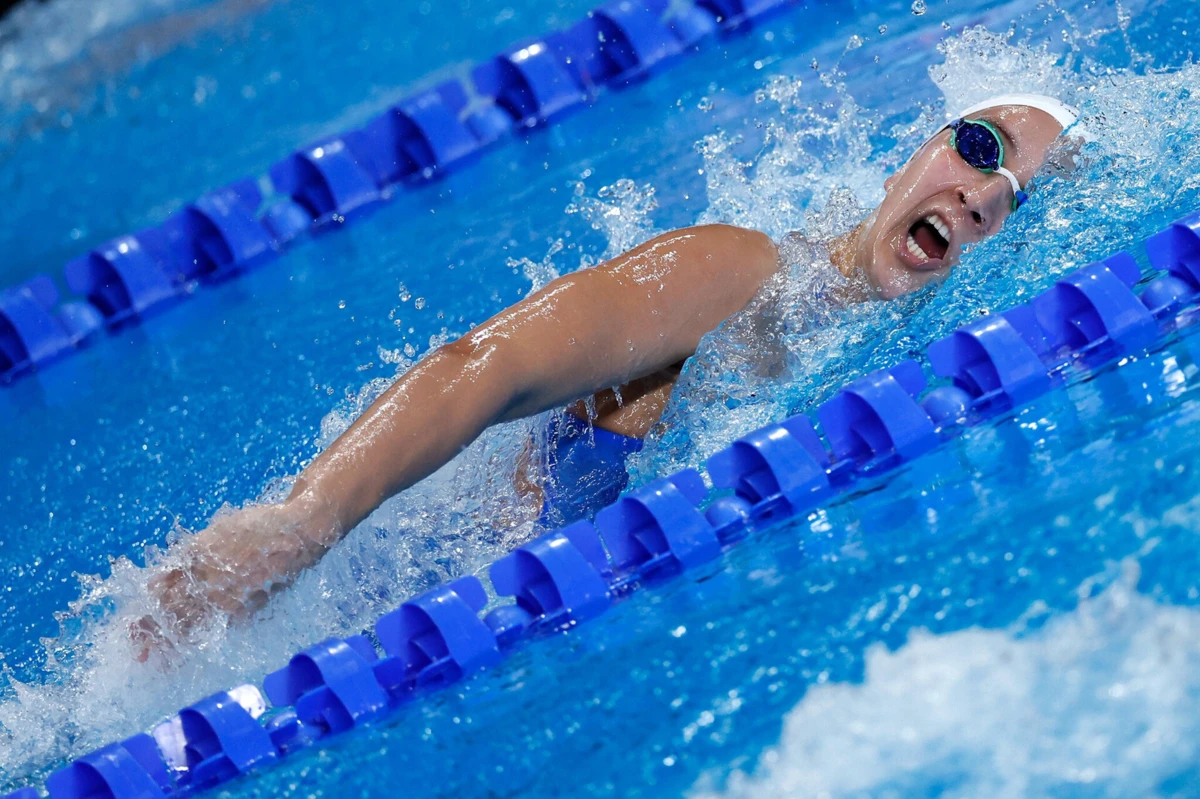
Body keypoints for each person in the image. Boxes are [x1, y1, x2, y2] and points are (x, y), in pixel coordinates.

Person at [135, 94, 1081, 655]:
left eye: (1017, 199)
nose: (981, 194)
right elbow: (488, 363)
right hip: (431, 617)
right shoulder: (741, 274)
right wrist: (306, 519)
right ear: (918, 146)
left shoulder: (914, 370)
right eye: (980, 147)